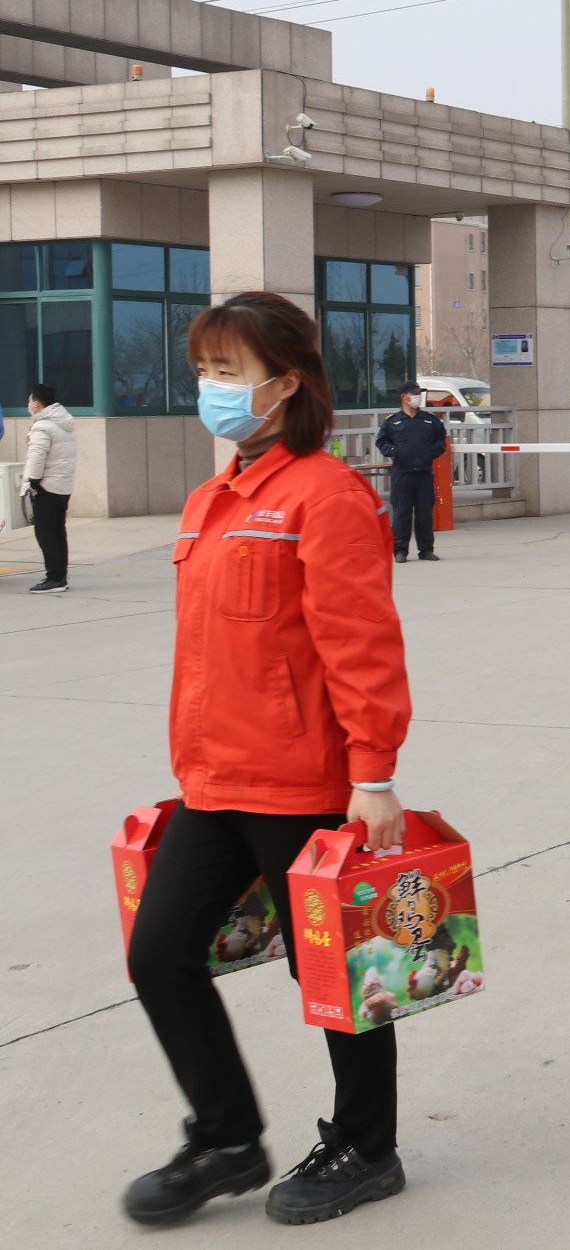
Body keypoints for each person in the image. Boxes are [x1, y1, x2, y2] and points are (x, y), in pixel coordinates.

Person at [123, 292, 412, 1227]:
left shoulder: (326, 496)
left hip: (302, 783)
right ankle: (227, 1136)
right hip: (213, 782)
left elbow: (360, 645)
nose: (209, 388)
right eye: (203, 370)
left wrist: (373, 773)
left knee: (333, 975)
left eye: (227, 373)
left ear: (284, 383)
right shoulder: (211, 499)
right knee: (160, 954)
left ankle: (368, 1147)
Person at [374, 381, 448, 563]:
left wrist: (431, 452)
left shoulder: (430, 420)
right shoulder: (393, 421)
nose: (418, 397)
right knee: (401, 514)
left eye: (419, 393)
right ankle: (400, 551)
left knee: (424, 513)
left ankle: (426, 550)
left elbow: (441, 440)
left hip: (423, 472)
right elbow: (382, 441)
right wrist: (393, 452)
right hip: (403, 474)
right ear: (404, 397)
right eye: (414, 394)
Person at [23, 382, 76, 595]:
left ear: (37, 404)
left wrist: (33, 482)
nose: (28, 404)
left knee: (46, 535)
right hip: (62, 486)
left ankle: (54, 578)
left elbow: (37, 456)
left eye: (29, 401)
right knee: (58, 532)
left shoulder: (42, 426)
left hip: (46, 487)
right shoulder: (64, 422)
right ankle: (60, 575)